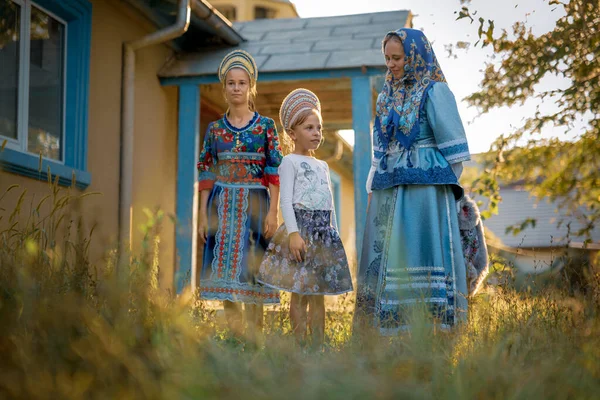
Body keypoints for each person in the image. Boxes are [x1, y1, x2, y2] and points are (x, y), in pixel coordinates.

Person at [354, 28, 471, 335]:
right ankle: (388, 332)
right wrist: (372, 189)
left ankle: (432, 328)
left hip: (426, 196)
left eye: (398, 57)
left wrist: (445, 196)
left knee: (423, 250)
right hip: (389, 189)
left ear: (415, 56)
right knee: (390, 255)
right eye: (387, 58)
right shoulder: (386, 96)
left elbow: (455, 155)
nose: (391, 64)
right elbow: (379, 152)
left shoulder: (435, 91)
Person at [197, 49, 282, 339]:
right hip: (222, 208)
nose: (236, 88)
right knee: (227, 277)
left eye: (242, 83)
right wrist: (201, 214)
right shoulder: (215, 130)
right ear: (224, 88)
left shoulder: (266, 127)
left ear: (251, 86)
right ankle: (235, 339)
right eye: (231, 83)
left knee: (254, 272)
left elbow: (273, 171)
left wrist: (274, 212)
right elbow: (206, 172)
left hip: (256, 207)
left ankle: (256, 343)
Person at [257, 89, 353, 346]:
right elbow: (286, 201)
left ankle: (318, 345)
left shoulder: (323, 166)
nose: (316, 133)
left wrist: (333, 235)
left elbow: (329, 203)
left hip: (322, 235)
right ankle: (300, 346)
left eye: (319, 128)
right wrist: (294, 234)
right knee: (299, 293)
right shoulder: (289, 162)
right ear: (292, 133)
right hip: (300, 232)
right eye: (309, 128)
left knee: (318, 294)